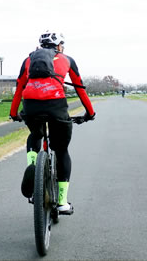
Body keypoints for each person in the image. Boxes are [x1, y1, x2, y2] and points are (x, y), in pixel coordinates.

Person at [10, 30, 95, 213]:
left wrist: (14, 112)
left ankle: (33, 167)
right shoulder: (67, 59)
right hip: (56, 105)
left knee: (35, 134)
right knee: (62, 150)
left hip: (31, 105)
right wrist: (90, 112)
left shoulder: (28, 60)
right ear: (59, 46)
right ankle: (63, 202)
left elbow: (19, 88)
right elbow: (80, 88)